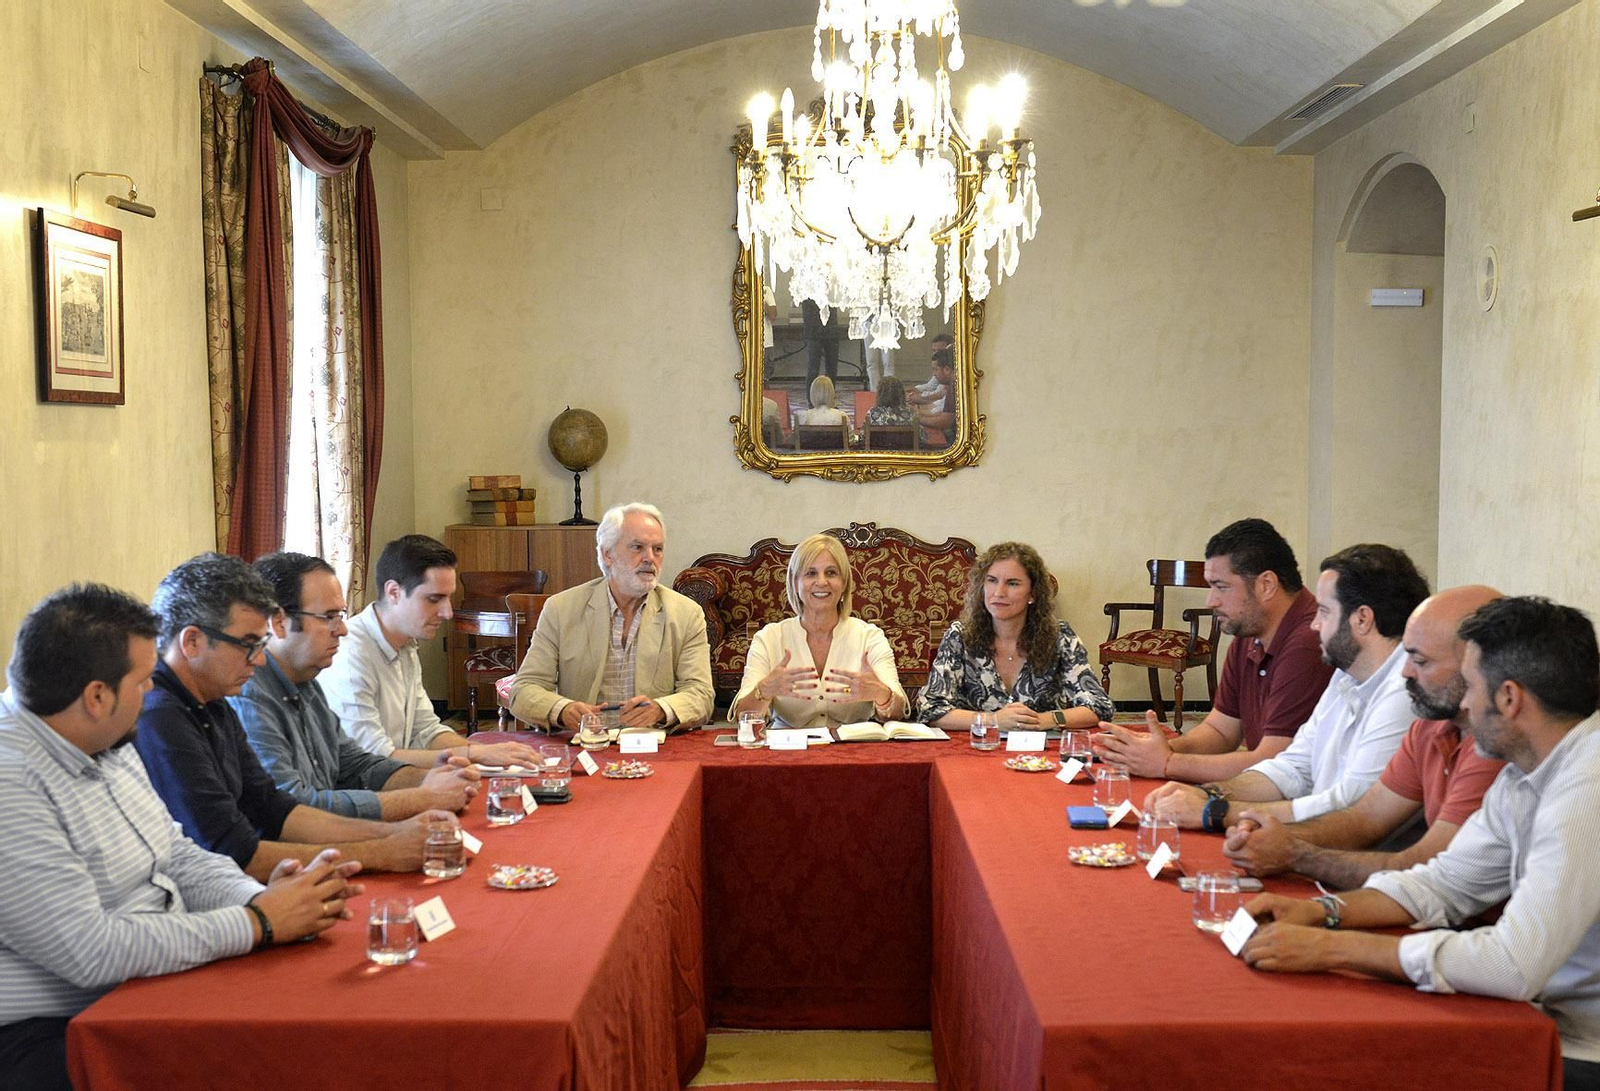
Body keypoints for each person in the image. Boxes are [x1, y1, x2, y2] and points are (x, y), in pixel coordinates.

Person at [0, 584, 358, 1090]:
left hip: (144, 982)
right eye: (144, 680)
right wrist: (256, 923)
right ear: (97, 697)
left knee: (318, 1022)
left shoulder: (102, 736)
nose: (152, 693)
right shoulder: (11, 782)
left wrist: (267, 899)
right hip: (43, 1033)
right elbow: (90, 950)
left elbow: (177, 852)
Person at [1239, 597, 1600, 1091]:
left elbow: (1513, 965)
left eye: (1471, 687)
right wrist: (1324, 912)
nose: (1465, 705)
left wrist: (1332, 948)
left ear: (1511, 699)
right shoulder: (1528, 770)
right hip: (1546, 1022)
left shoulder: (1588, 782)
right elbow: (1444, 884)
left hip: (1582, 1049)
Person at [134, 553, 450, 881]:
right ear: (193, 641)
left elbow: (274, 808)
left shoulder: (213, 699)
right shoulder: (160, 716)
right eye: (248, 645)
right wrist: (380, 850)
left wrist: (393, 833)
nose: (258, 661)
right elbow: (233, 852)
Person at [1222, 585, 1506, 887]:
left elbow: (1427, 868)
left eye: (1420, 661)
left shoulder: (1490, 744)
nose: (1406, 672)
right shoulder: (1430, 723)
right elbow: (1364, 818)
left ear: (1474, 665)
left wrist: (1294, 853)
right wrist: (1270, 834)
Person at [1144, 543, 1428, 831]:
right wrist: (1209, 794)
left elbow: (1348, 806)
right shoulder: (1347, 674)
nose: (1315, 625)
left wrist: (1218, 811)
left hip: (1355, 859)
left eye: (1325, 612)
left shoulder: (1404, 692)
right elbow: (1290, 767)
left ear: (1362, 619)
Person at [233, 552, 480, 821]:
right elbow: (294, 808)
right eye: (329, 617)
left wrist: (433, 778)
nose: (342, 630)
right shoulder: (250, 697)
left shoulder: (306, 682)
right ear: (279, 622)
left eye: (340, 615)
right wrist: (421, 797)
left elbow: (356, 765)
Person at [1095, 518, 1334, 781]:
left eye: (1221, 586)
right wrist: (1157, 750)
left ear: (1266, 585)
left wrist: (1167, 763)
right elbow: (1222, 730)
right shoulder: (1252, 628)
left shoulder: (1309, 643)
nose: (1211, 601)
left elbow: (1275, 763)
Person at [319, 534, 544, 770]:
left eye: (447, 598)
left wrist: (478, 752)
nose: (447, 612)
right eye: (434, 599)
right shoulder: (351, 655)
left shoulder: (404, 643)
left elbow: (426, 730)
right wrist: (474, 757)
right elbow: (373, 760)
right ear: (394, 592)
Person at [508, 503, 715, 731]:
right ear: (608, 554)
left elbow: (701, 694)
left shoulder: (686, 613)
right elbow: (524, 691)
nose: (650, 558)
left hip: (652, 746)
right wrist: (562, 710)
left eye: (657, 549)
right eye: (638, 547)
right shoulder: (561, 609)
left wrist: (661, 709)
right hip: (584, 745)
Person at [918, 542, 1113, 731]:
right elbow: (930, 709)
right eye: (992, 580)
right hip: (978, 750)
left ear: (1033, 594)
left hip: (1038, 756)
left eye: (1012, 583)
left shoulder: (1060, 637)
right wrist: (993, 720)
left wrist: (1044, 720)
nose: (999, 592)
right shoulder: (960, 636)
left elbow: (1099, 706)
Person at [731, 533, 908, 728]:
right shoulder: (769, 638)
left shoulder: (869, 637)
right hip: (788, 750)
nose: (822, 582)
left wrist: (881, 694)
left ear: (844, 584)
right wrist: (763, 690)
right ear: (795, 582)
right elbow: (743, 716)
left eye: (831, 573)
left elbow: (896, 712)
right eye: (811, 573)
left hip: (852, 749)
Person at [915, 348, 957, 444]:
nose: (934, 374)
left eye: (935, 370)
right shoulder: (952, 384)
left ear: (947, 369)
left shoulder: (955, 386)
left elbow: (945, 421)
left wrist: (918, 419)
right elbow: (940, 412)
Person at [907, 334, 954, 406]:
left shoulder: (951, 377)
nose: (935, 354)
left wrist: (918, 399)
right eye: (934, 351)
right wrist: (909, 393)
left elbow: (939, 398)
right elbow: (929, 387)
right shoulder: (940, 373)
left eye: (939, 351)